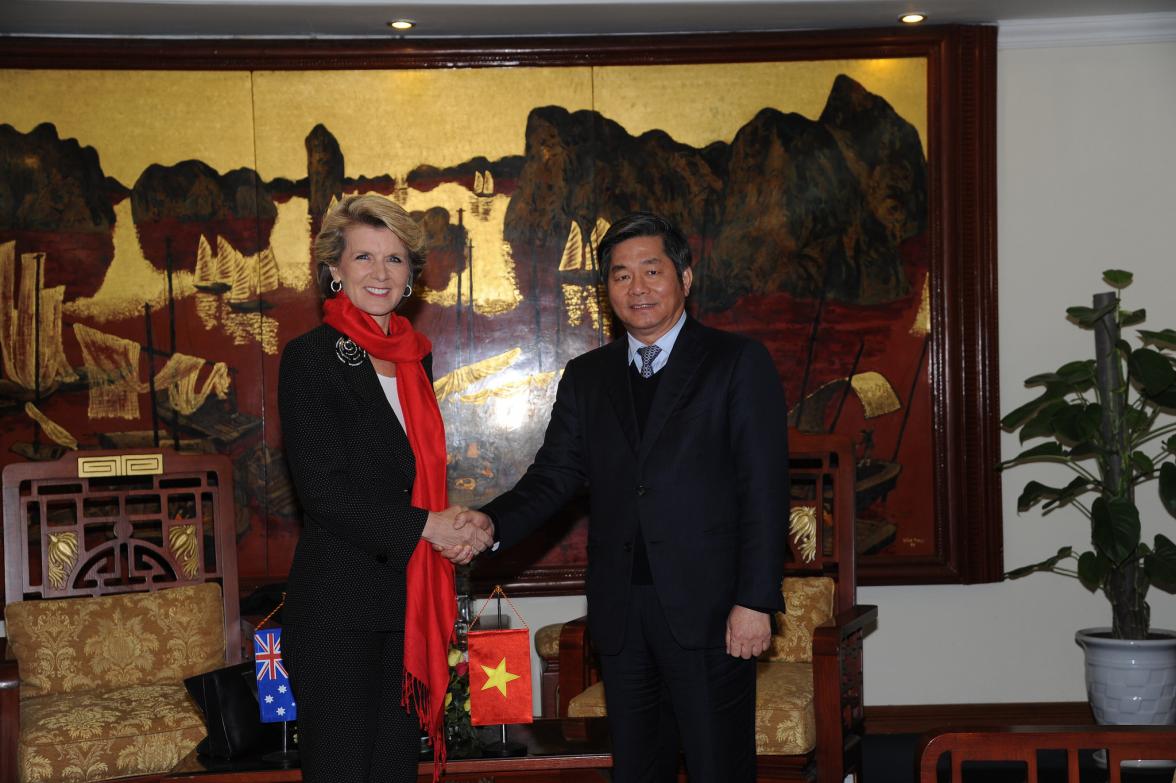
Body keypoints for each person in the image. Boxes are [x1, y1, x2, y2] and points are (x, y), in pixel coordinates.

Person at [452, 211, 789, 782]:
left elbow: (765, 489)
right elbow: (554, 475)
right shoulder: (588, 376)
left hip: (712, 611)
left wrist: (755, 600)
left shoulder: (736, 363)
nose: (638, 288)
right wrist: (489, 524)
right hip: (621, 612)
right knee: (636, 770)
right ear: (607, 290)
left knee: (718, 768)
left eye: (652, 270)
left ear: (684, 277)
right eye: (620, 275)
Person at [279, 193, 492, 783]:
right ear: (334, 268)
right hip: (338, 611)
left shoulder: (414, 362)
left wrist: (455, 523)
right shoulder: (311, 359)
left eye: (395, 260)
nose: (380, 273)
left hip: (406, 607)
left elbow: (405, 485)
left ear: (411, 276)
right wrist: (430, 527)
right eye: (364, 258)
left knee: (396, 773)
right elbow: (327, 495)